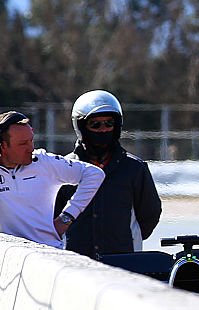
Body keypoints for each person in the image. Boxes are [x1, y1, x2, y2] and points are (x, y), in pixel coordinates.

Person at [0, 111, 105, 249]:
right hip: (7, 257)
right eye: (23, 143)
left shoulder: (44, 161)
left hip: (49, 254)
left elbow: (94, 174)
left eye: (31, 140)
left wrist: (67, 217)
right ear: (2, 146)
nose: (31, 148)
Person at [55, 90, 162, 258]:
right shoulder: (65, 168)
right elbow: (52, 217)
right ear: (81, 127)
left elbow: (150, 214)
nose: (103, 129)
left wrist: (124, 239)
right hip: (75, 264)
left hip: (124, 263)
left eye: (108, 123)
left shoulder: (134, 168)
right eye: (95, 125)